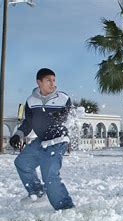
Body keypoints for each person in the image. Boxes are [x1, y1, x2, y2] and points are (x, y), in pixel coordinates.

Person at [9, 68, 75, 210]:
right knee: (22, 163)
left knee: (49, 174)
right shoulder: (31, 101)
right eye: (48, 80)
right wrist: (18, 134)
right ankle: (38, 193)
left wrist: (61, 117)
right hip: (42, 140)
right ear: (39, 82)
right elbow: (28, 122)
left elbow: (69, 117)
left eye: (54, 80)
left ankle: (66, 208)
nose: (52, 84)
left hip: (58, 140)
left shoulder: (63, 98)